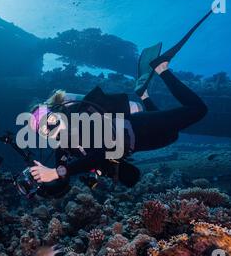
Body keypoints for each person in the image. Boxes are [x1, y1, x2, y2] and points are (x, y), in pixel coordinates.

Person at [29, 11, 212, 190]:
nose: (50, 129)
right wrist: (41, 182)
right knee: (172, 135)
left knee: (198, 110)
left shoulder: (80, 120)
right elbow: (62, 184)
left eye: (50, 121)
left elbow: (98, 154)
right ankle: (144, 95)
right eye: (43, 130)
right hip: (140, 142)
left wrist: (56, 172)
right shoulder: (63, 148)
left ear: (58, 114)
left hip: (138, 127)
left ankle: (161, 68)